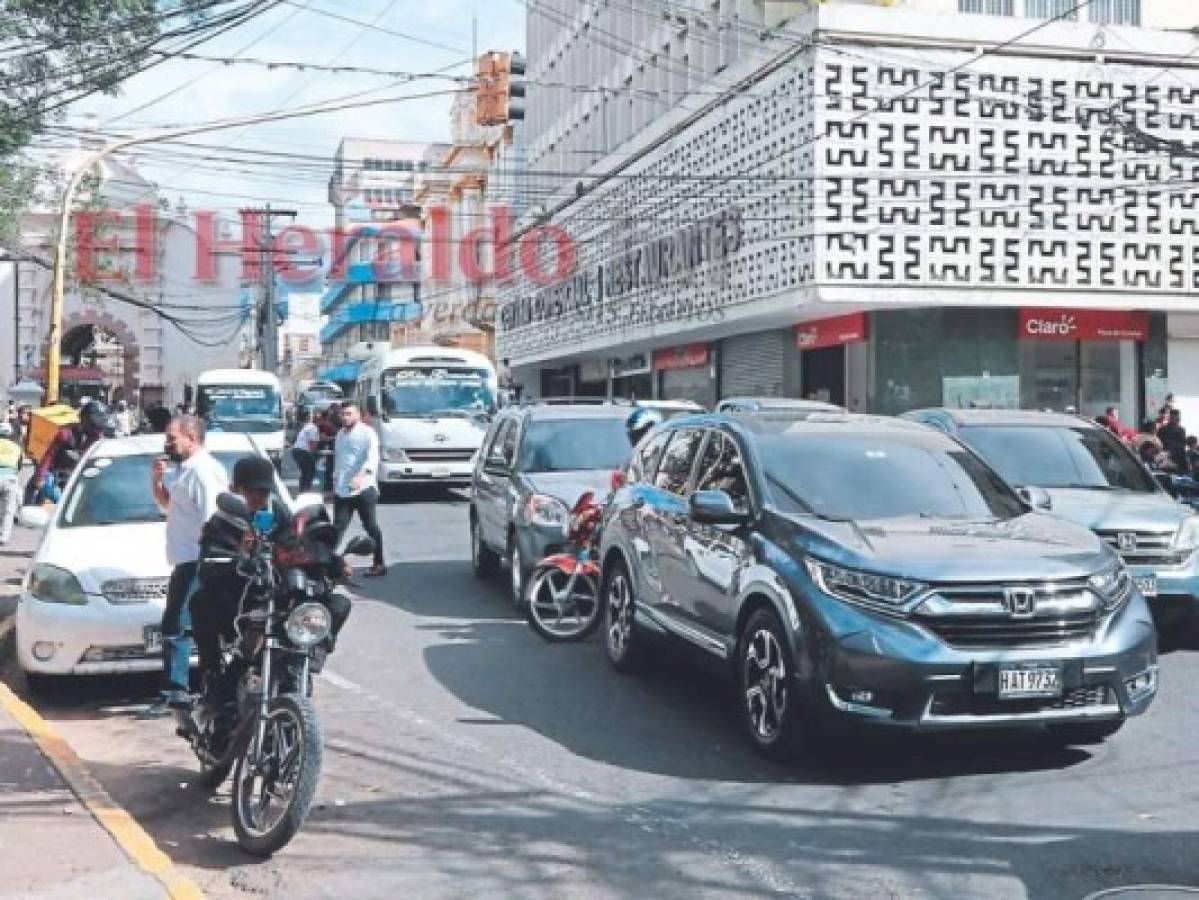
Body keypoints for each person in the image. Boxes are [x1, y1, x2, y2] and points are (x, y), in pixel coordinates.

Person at [147, 415, 229, 714]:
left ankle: (176, 692)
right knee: (177, 625)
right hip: (184, 559)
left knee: (178, 625)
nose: (166, 443)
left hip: (198, 560)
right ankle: (184, 689)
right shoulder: (185, 470)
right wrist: (156, 479)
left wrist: (208, 564)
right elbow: (168, 506)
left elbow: (213, 518)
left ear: (191, 437)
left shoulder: (204, 471)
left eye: (172, 438)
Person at [332, 402, 386, 577]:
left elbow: (372, 458)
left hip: (364, 488)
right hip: (342, 489)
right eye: (343, 414)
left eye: (349, 414)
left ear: (358, 415)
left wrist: (362, 475)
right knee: (337, 528)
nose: (345, 417)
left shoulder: (367, 433)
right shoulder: (340, 434)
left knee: (371, 527)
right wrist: (334, 480)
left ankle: (379, 564)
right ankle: (327, 563)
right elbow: (340, 460)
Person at [28, 400, 108, 504]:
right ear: (83, 419)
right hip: (57, 474)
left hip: (83, 476)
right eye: (92, 424)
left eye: (98, 426)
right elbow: (49, 456)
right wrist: (40, 477)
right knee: (33, 489)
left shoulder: (98, 438)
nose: (95, 429)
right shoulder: (66, 433)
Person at [0, 423, 20, 545]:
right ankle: (3, 537)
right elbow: (19, 466)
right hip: (10, 478)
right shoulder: (16, 447)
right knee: (8, 510)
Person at [291, 409, 320, 493]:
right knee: (310, 471)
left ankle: (302, 490)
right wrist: (313, 456)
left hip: (297, 450)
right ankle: (306, 491)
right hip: (303, 451)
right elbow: (312, 443)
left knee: (305, 471)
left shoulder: (308, 426)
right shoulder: (313, 428)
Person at [1157, 408, 1188, 474]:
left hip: (1172, 455)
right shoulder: (1163, 429)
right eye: (1172, 417)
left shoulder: (1180, 429)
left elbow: (1182, 444)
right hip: (1169, 455)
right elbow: (1182, 444)